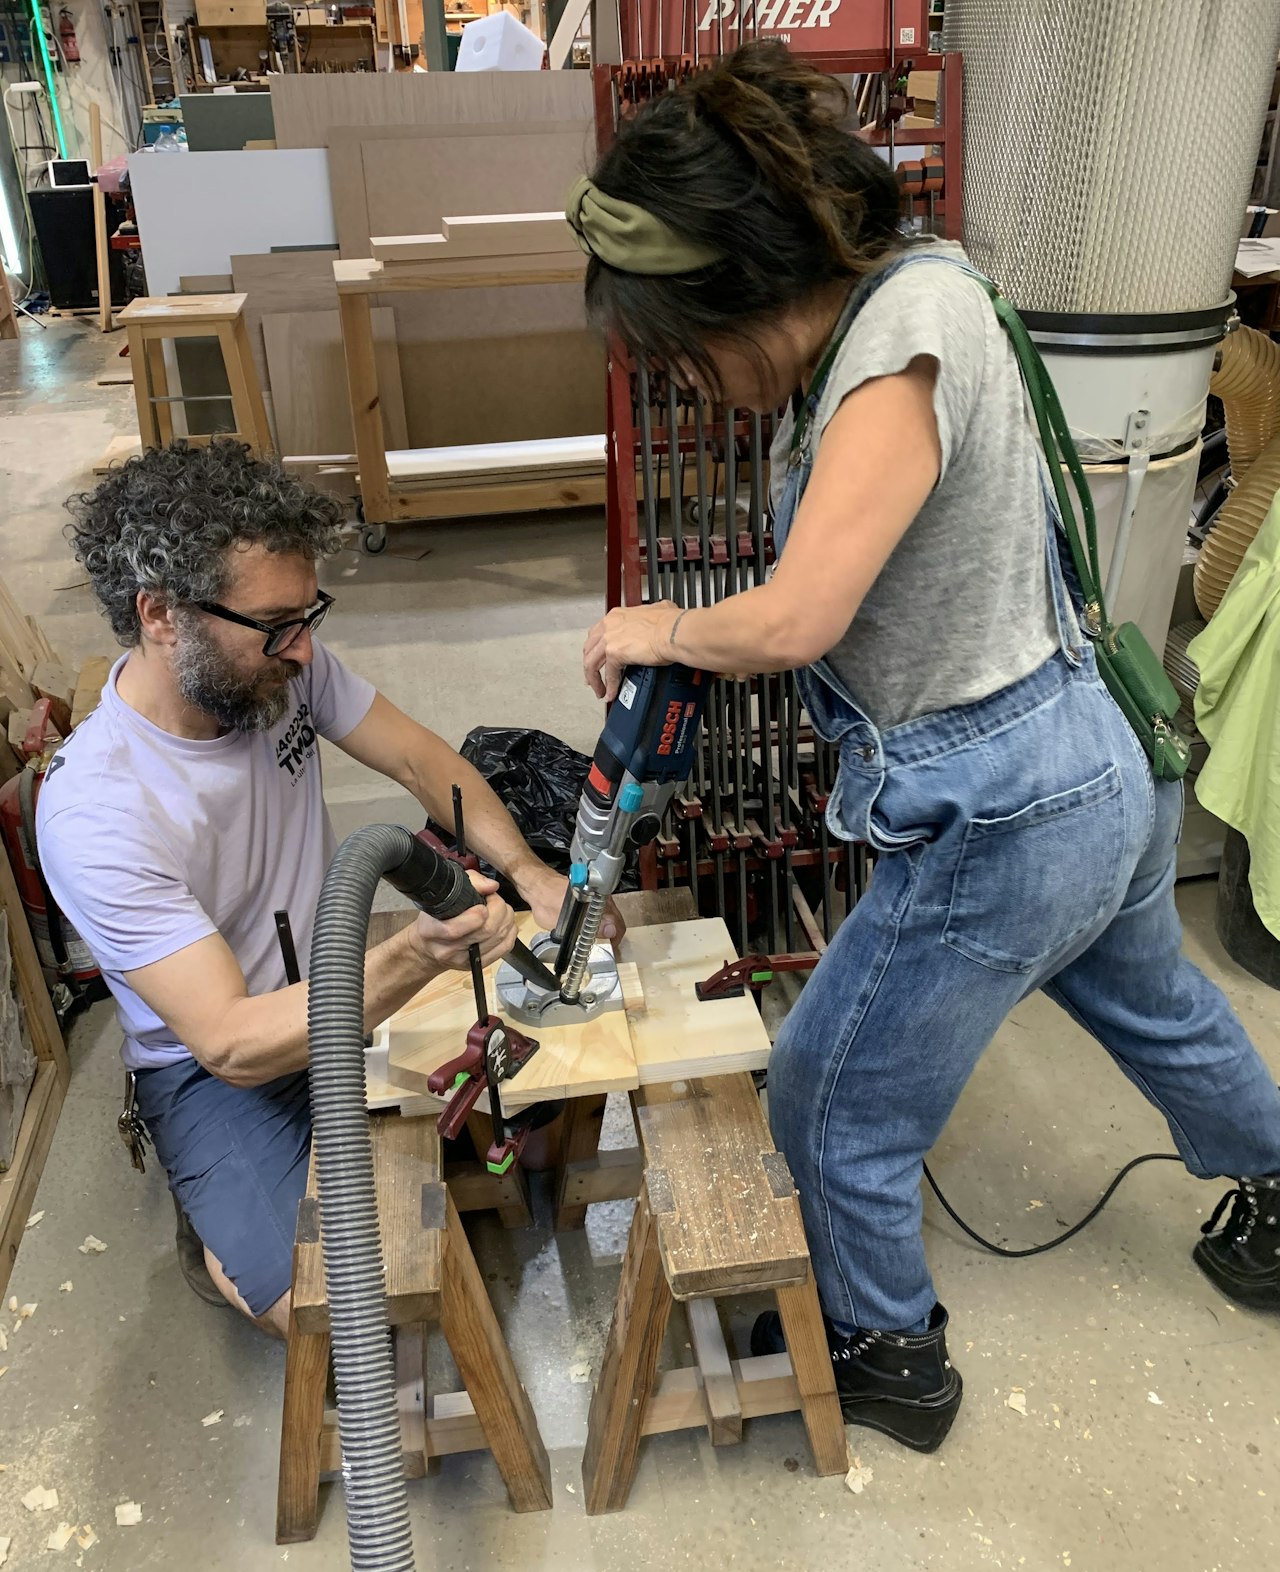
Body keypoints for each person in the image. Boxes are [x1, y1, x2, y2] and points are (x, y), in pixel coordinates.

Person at [571, 43, 1280, 1453]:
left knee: (830, 1097)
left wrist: (663, 625)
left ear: (744, 280)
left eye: (688, 353)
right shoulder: (924, 289)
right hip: (1090, 761)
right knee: (1158, 1006)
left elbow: (799, 616)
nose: (695, 386)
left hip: (1000, 807)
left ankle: (885, 1350)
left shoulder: (896, 347)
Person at [37, 439, 582, 1339]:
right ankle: (217, 1217)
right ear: (161, 614)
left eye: (307, 614)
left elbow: (421, 760)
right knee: (331, 1318)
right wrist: (416, 955)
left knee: (556, 1091)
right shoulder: (96, 811)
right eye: (275, 623)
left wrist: (532, 875)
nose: (303, 646)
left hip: (336, 975)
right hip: (221, 1067)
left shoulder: (278, 669)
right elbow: (229, 1041)